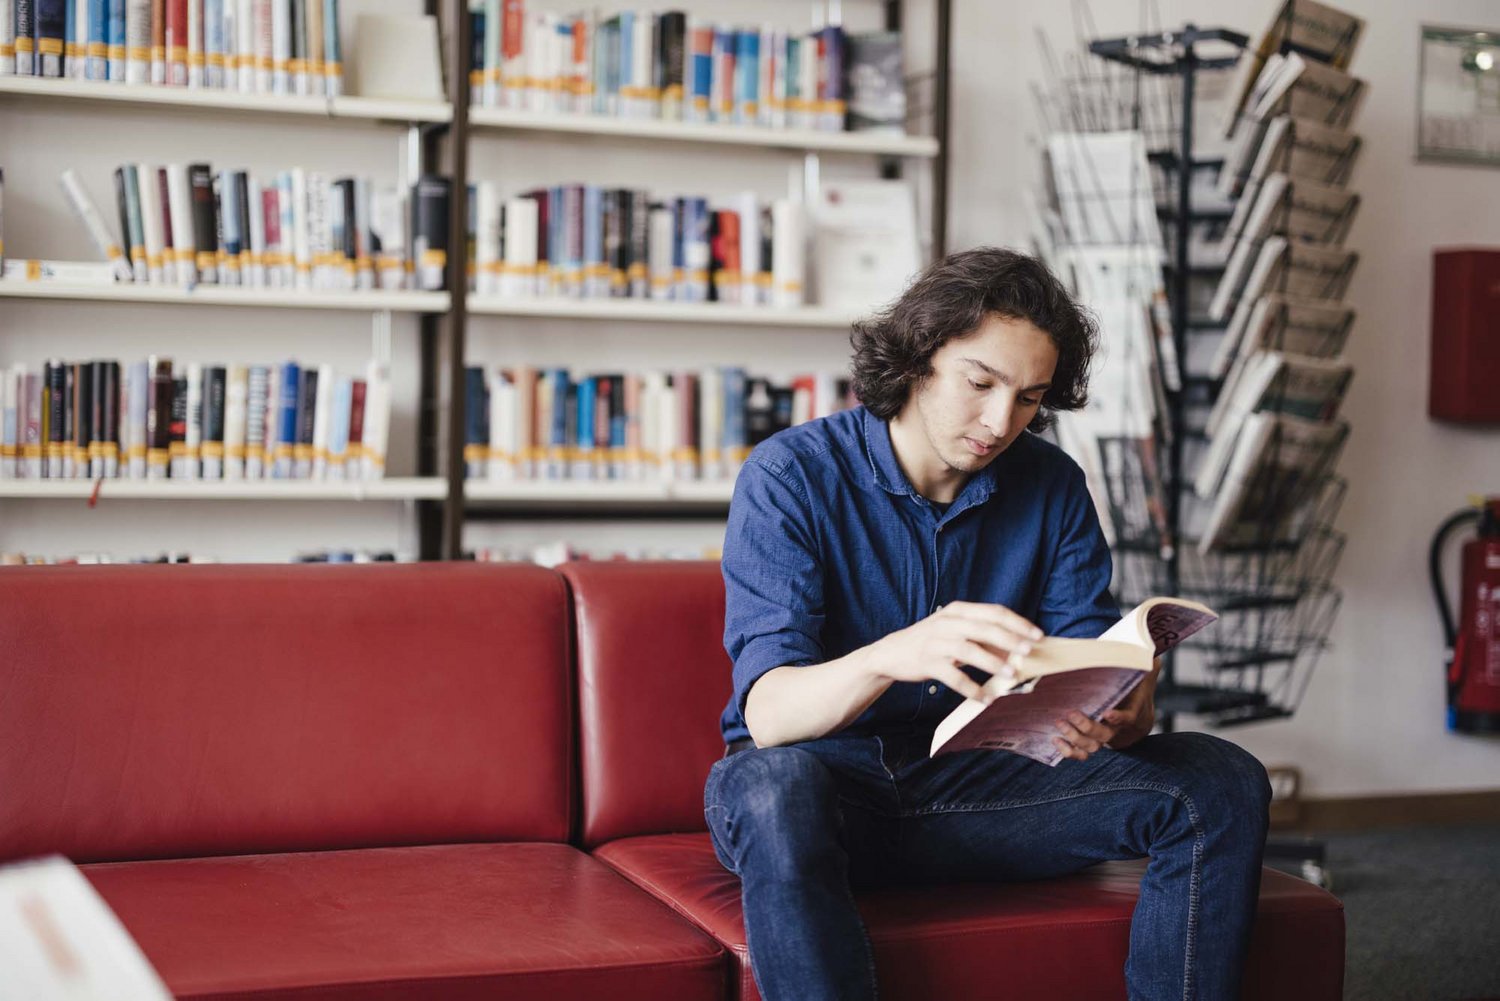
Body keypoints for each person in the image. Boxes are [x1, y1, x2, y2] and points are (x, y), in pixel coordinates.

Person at [705, 247, 1271, 1001]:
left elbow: (1096, 669)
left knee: (1221, 777)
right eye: (981, 383)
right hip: (825, 800)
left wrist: (1122, 711)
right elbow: (770, 714)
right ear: (918, 359)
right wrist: (896, 653)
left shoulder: (1052, 485)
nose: (1002, 421)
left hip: (982, 794)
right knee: (777, 786)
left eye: (1031, 397)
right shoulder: (789, 476)